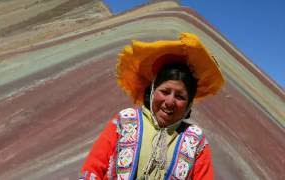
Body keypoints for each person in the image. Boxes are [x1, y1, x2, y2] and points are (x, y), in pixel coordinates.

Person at [79, 32, 225, 179]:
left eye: (180, 96)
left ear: (189, 103)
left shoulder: (195, 141)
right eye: (165, 91)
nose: (170, 101)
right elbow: (93, 169)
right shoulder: (126, 121)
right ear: (153, 91)